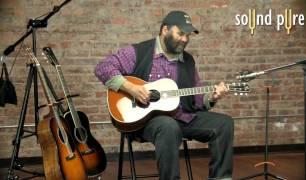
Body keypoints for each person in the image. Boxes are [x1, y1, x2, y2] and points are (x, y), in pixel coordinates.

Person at [95, 10, 234, 180]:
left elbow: (197, 101)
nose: (185, 39)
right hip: (145, 122)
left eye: (188, 35)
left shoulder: (188, 61)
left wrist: (212, 97)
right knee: (168, 126)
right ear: (165, 30)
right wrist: (130, 88)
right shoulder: (139, 52)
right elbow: (103, 68)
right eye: (181, 33)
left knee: (224, 124)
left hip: (180, 118)